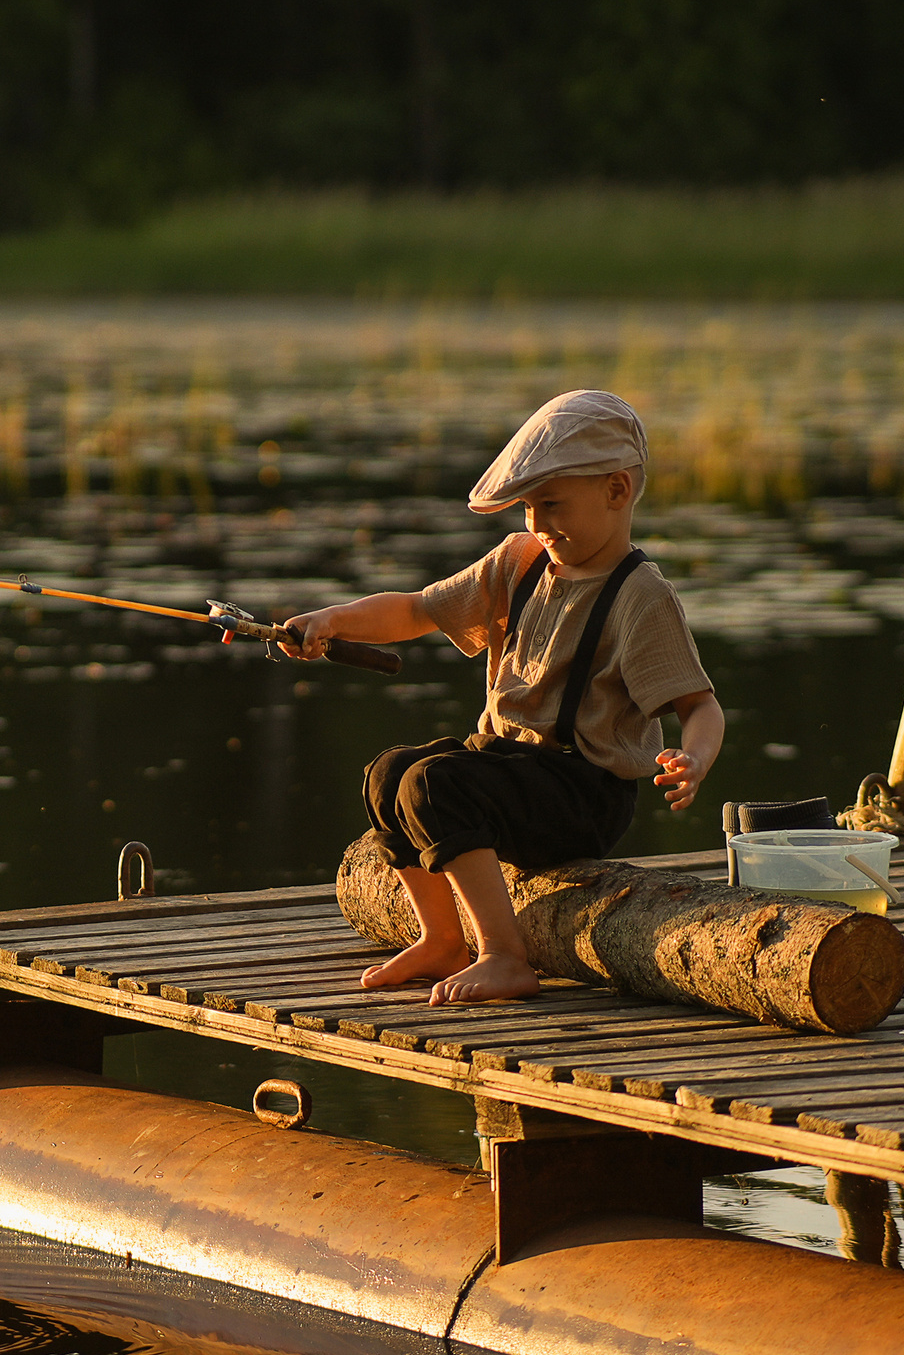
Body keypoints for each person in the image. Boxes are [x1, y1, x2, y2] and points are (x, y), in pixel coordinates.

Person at [282, 389, 724, 1004]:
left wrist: (694, 759)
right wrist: (332, 620)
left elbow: (698, 705)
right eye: (527, 507)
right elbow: (415, 611)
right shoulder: (518, 563)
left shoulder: (639, 595)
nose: (537, 523)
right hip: (509, 770)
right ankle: (444, 939)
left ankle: (505, 956)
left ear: (617, 491)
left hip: (581, 792)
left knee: (433, 785)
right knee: (390, 774)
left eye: (551, 504)